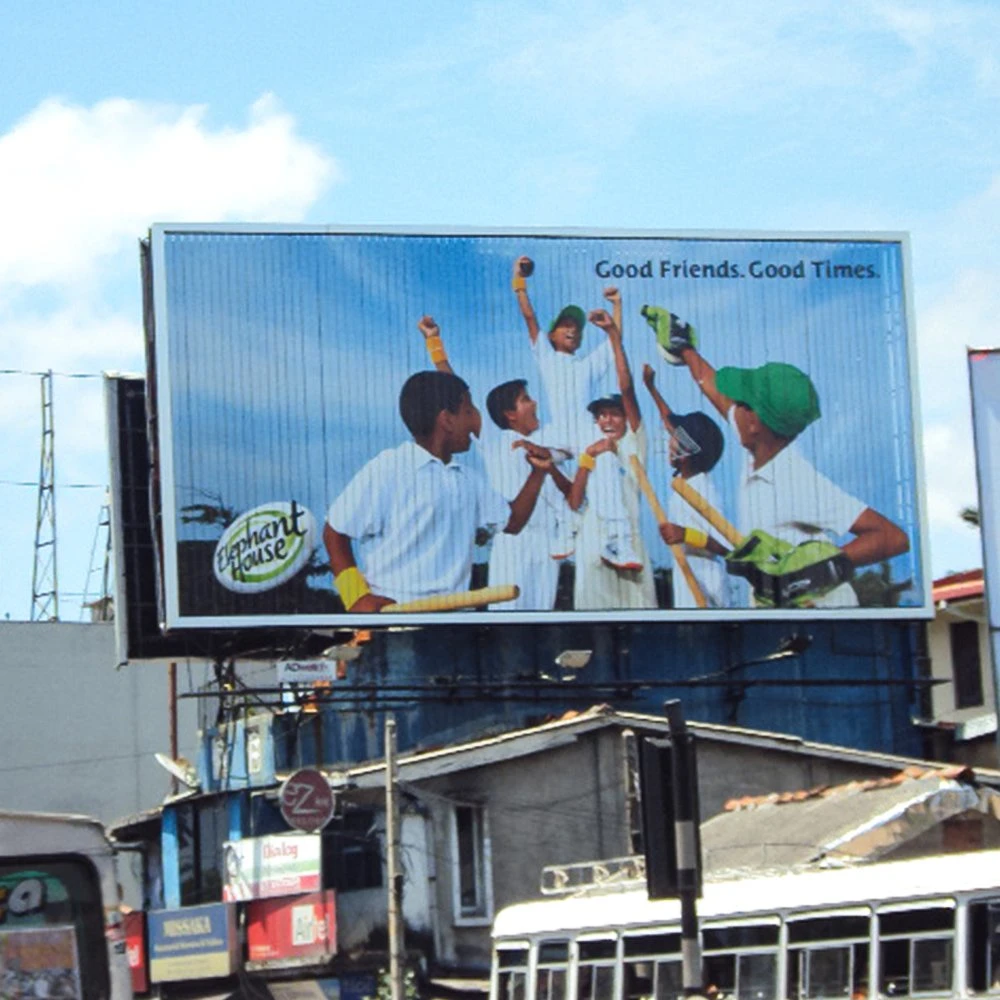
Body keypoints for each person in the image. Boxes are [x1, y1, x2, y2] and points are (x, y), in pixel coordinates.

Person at [644, 306, 910, 608]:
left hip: (822, 616)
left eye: (740, 403)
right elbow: (714, 388)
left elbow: (892, 537)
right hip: (776, 613)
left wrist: (809, 575)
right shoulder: (759, 443)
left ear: (754, 422)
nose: (731, 407)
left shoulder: (795, 481)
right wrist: (685, 347)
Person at [324, 362, 553, 611]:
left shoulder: (468, 479)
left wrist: (538, 473)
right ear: (446, 420)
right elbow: (335, 531)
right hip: (396, 624)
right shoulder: (389, 467)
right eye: (468, 411)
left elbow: (513, 521)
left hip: (453, 625)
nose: (474, 420)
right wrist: (355, 597)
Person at [417, 315, 573, 610]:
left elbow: (570, 457)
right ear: (509, 414)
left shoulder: (551, 439)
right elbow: (457, 394)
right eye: (526, 399)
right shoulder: (495, 440)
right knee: (509, 629)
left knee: (542, 627)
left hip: (547, 548)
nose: (535, 403)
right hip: (513, 543)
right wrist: (434, 342)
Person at [568, 305, 657, 610]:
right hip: (594, 547)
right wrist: (587, 458)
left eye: (614, 414)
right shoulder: (591, 450)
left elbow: (626, 387)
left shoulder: (635, 442)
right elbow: (574, 501)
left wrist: (613, 336)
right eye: (601, 415)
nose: (607, 421)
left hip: (629, 545)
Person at [641, 363, 730, 608]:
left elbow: (727, 546)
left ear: (689, 450)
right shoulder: (681, 482)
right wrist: (651, 388)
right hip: (686, 589)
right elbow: (669, 420)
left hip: (709, 595)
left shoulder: (703, 488)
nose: (670, 441)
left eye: (675, 438)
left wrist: (685, 535)